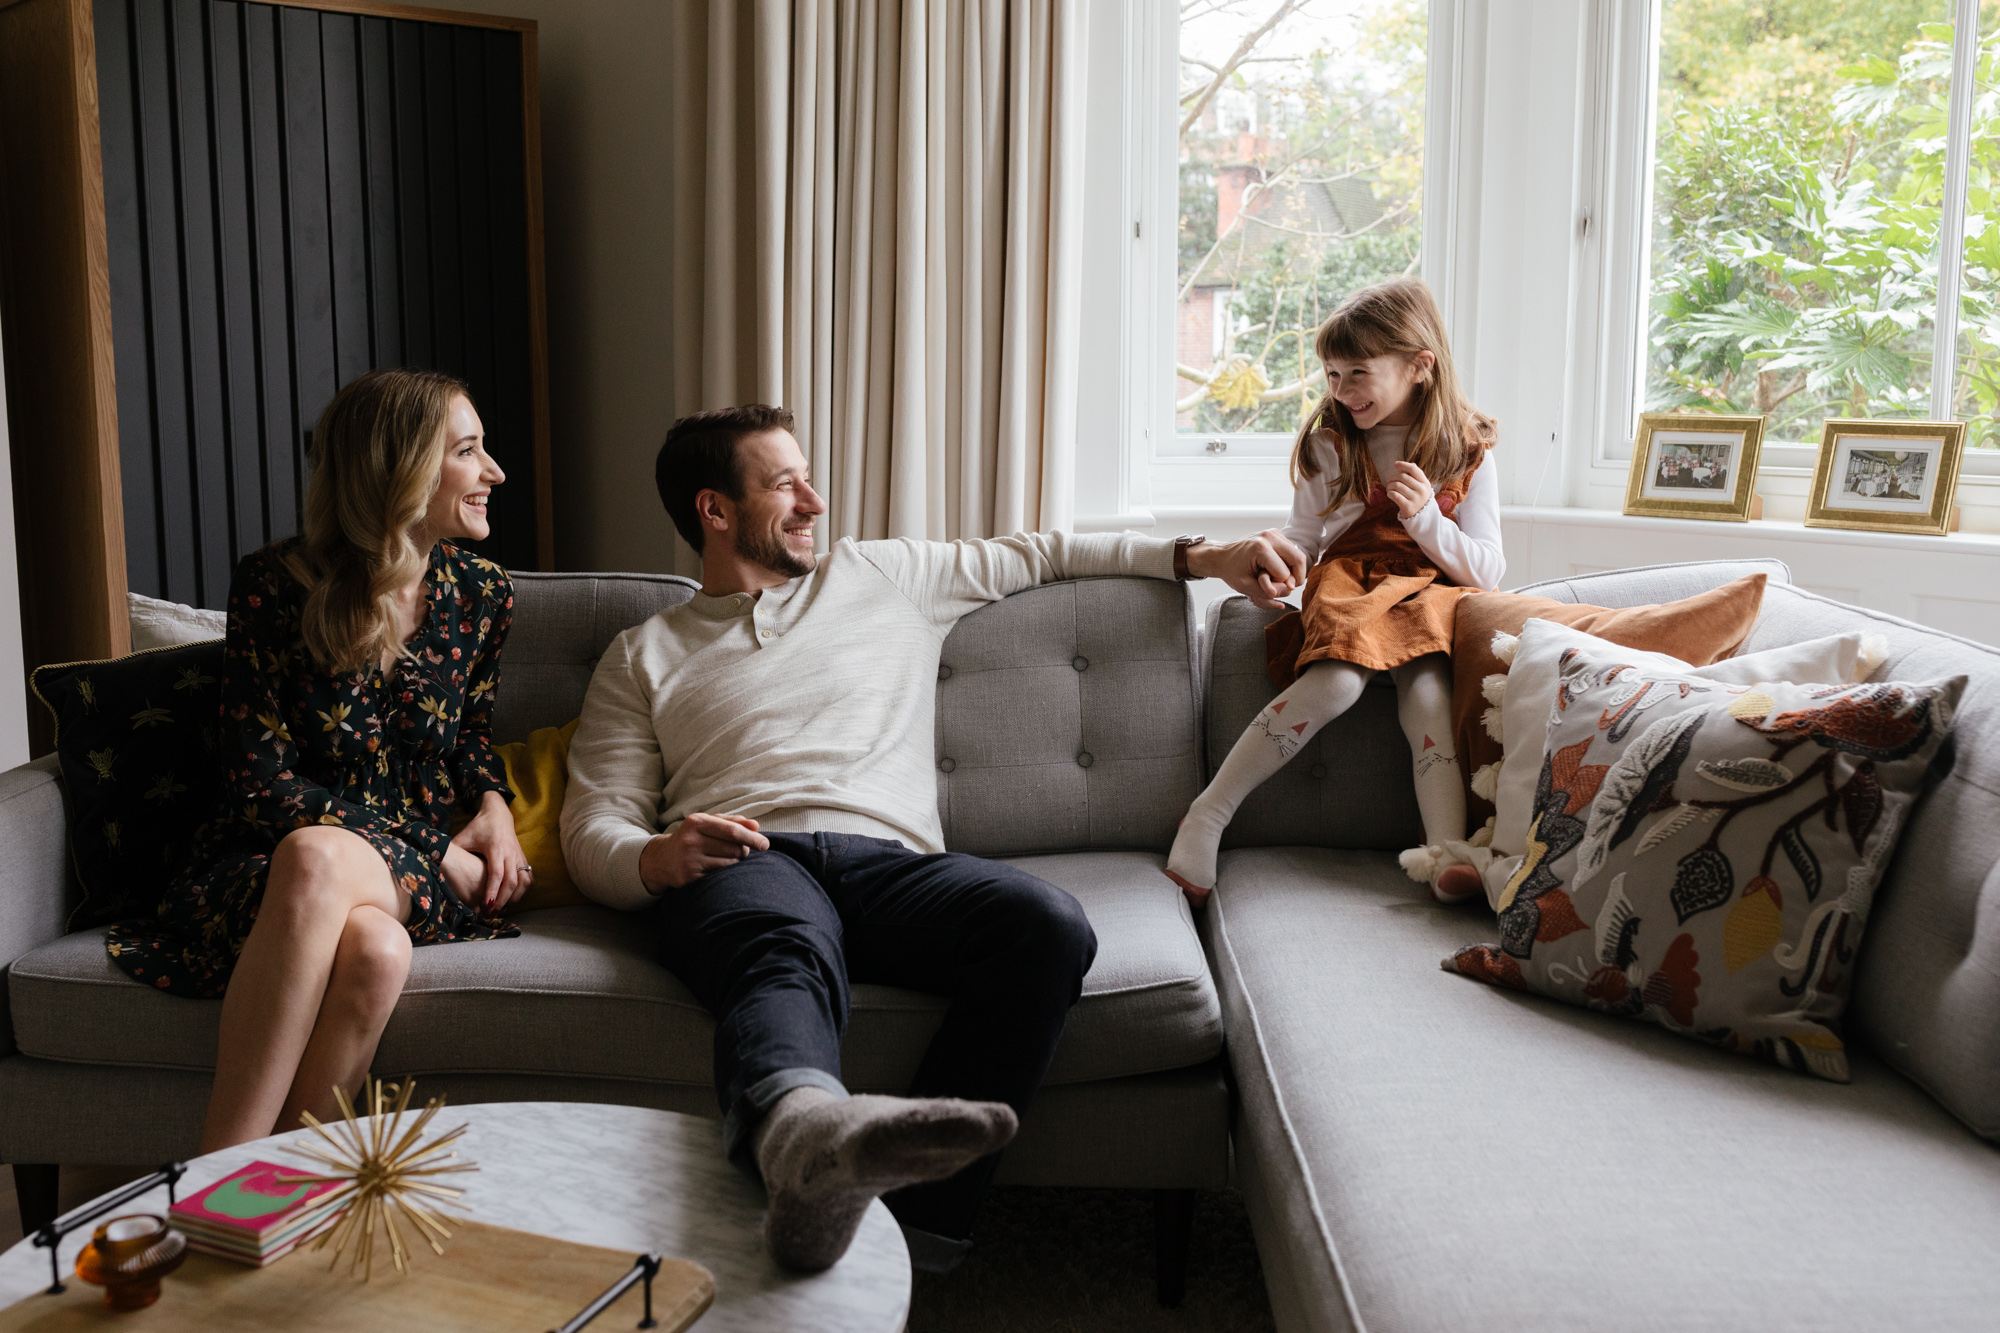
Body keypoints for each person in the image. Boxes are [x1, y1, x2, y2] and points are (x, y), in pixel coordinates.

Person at [560, 405, 1299, 1275]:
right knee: (782, 947)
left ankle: (907, 1233)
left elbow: (1046, 553)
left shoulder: (881, 575)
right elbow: (592, 821)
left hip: (891, 865)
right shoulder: (641, 654)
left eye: (808, 476)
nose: (815, 499)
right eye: (784, 483)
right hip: (748, 858)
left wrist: (1204, 557)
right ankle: (803, 1134)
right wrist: (656, 855)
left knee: (1047, 926)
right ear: (714, 511)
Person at [105, 369, 530, 1152]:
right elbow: (261, 783)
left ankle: (203, 1190)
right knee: (371, 945)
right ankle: (277, 1195)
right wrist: (438, 846)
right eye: (469, 451)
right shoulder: (274, 583)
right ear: (400, 470)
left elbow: (469, 737)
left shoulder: (484, 593)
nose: (494, 472)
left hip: (417, 880)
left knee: (323, 864)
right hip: (276, 861)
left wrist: (495, 808)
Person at [1164, 277, 1503, 907]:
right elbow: (1306, 535)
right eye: (1331, 375)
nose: (1341, 392)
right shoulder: (1331, 438)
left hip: (1429, 591)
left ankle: (1447, 853)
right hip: (1351, 582)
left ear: (1419, 366)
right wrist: (1282, 560)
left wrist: (1427, 521)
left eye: (1357, 374)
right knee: (1338, 680)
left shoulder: (1469, 448)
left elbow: (1486, 571)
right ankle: (1208, 814)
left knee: (1429, 693)